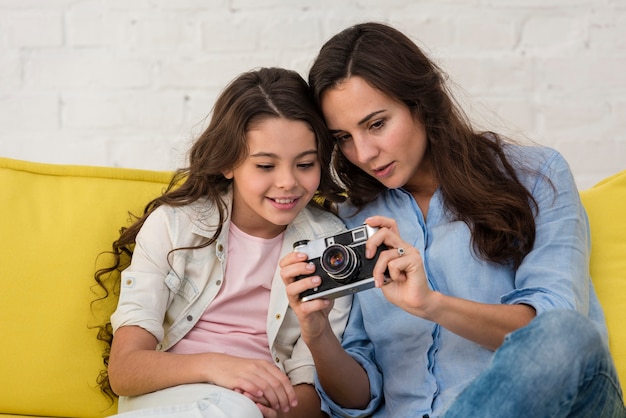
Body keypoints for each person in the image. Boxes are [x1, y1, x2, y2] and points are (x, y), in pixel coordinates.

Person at [280, 22, 626, 417]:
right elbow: (359, 400)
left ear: (421, 103)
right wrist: (318, 334)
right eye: (343, 137)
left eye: (376, 124)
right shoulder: (351, 221)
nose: (364, 153)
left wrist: (432, 304)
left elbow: (553, 334)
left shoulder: (536, 176)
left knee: (564, 332)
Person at [92, 67, 351, 418]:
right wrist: (220, 367)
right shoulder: (175, 226)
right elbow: (125, 371)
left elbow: (312, 394)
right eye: (265, 166)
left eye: (305, 164)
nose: (288, 182)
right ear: (229, 162)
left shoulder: (330, 245)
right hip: (169, 400)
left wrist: (264, 411)